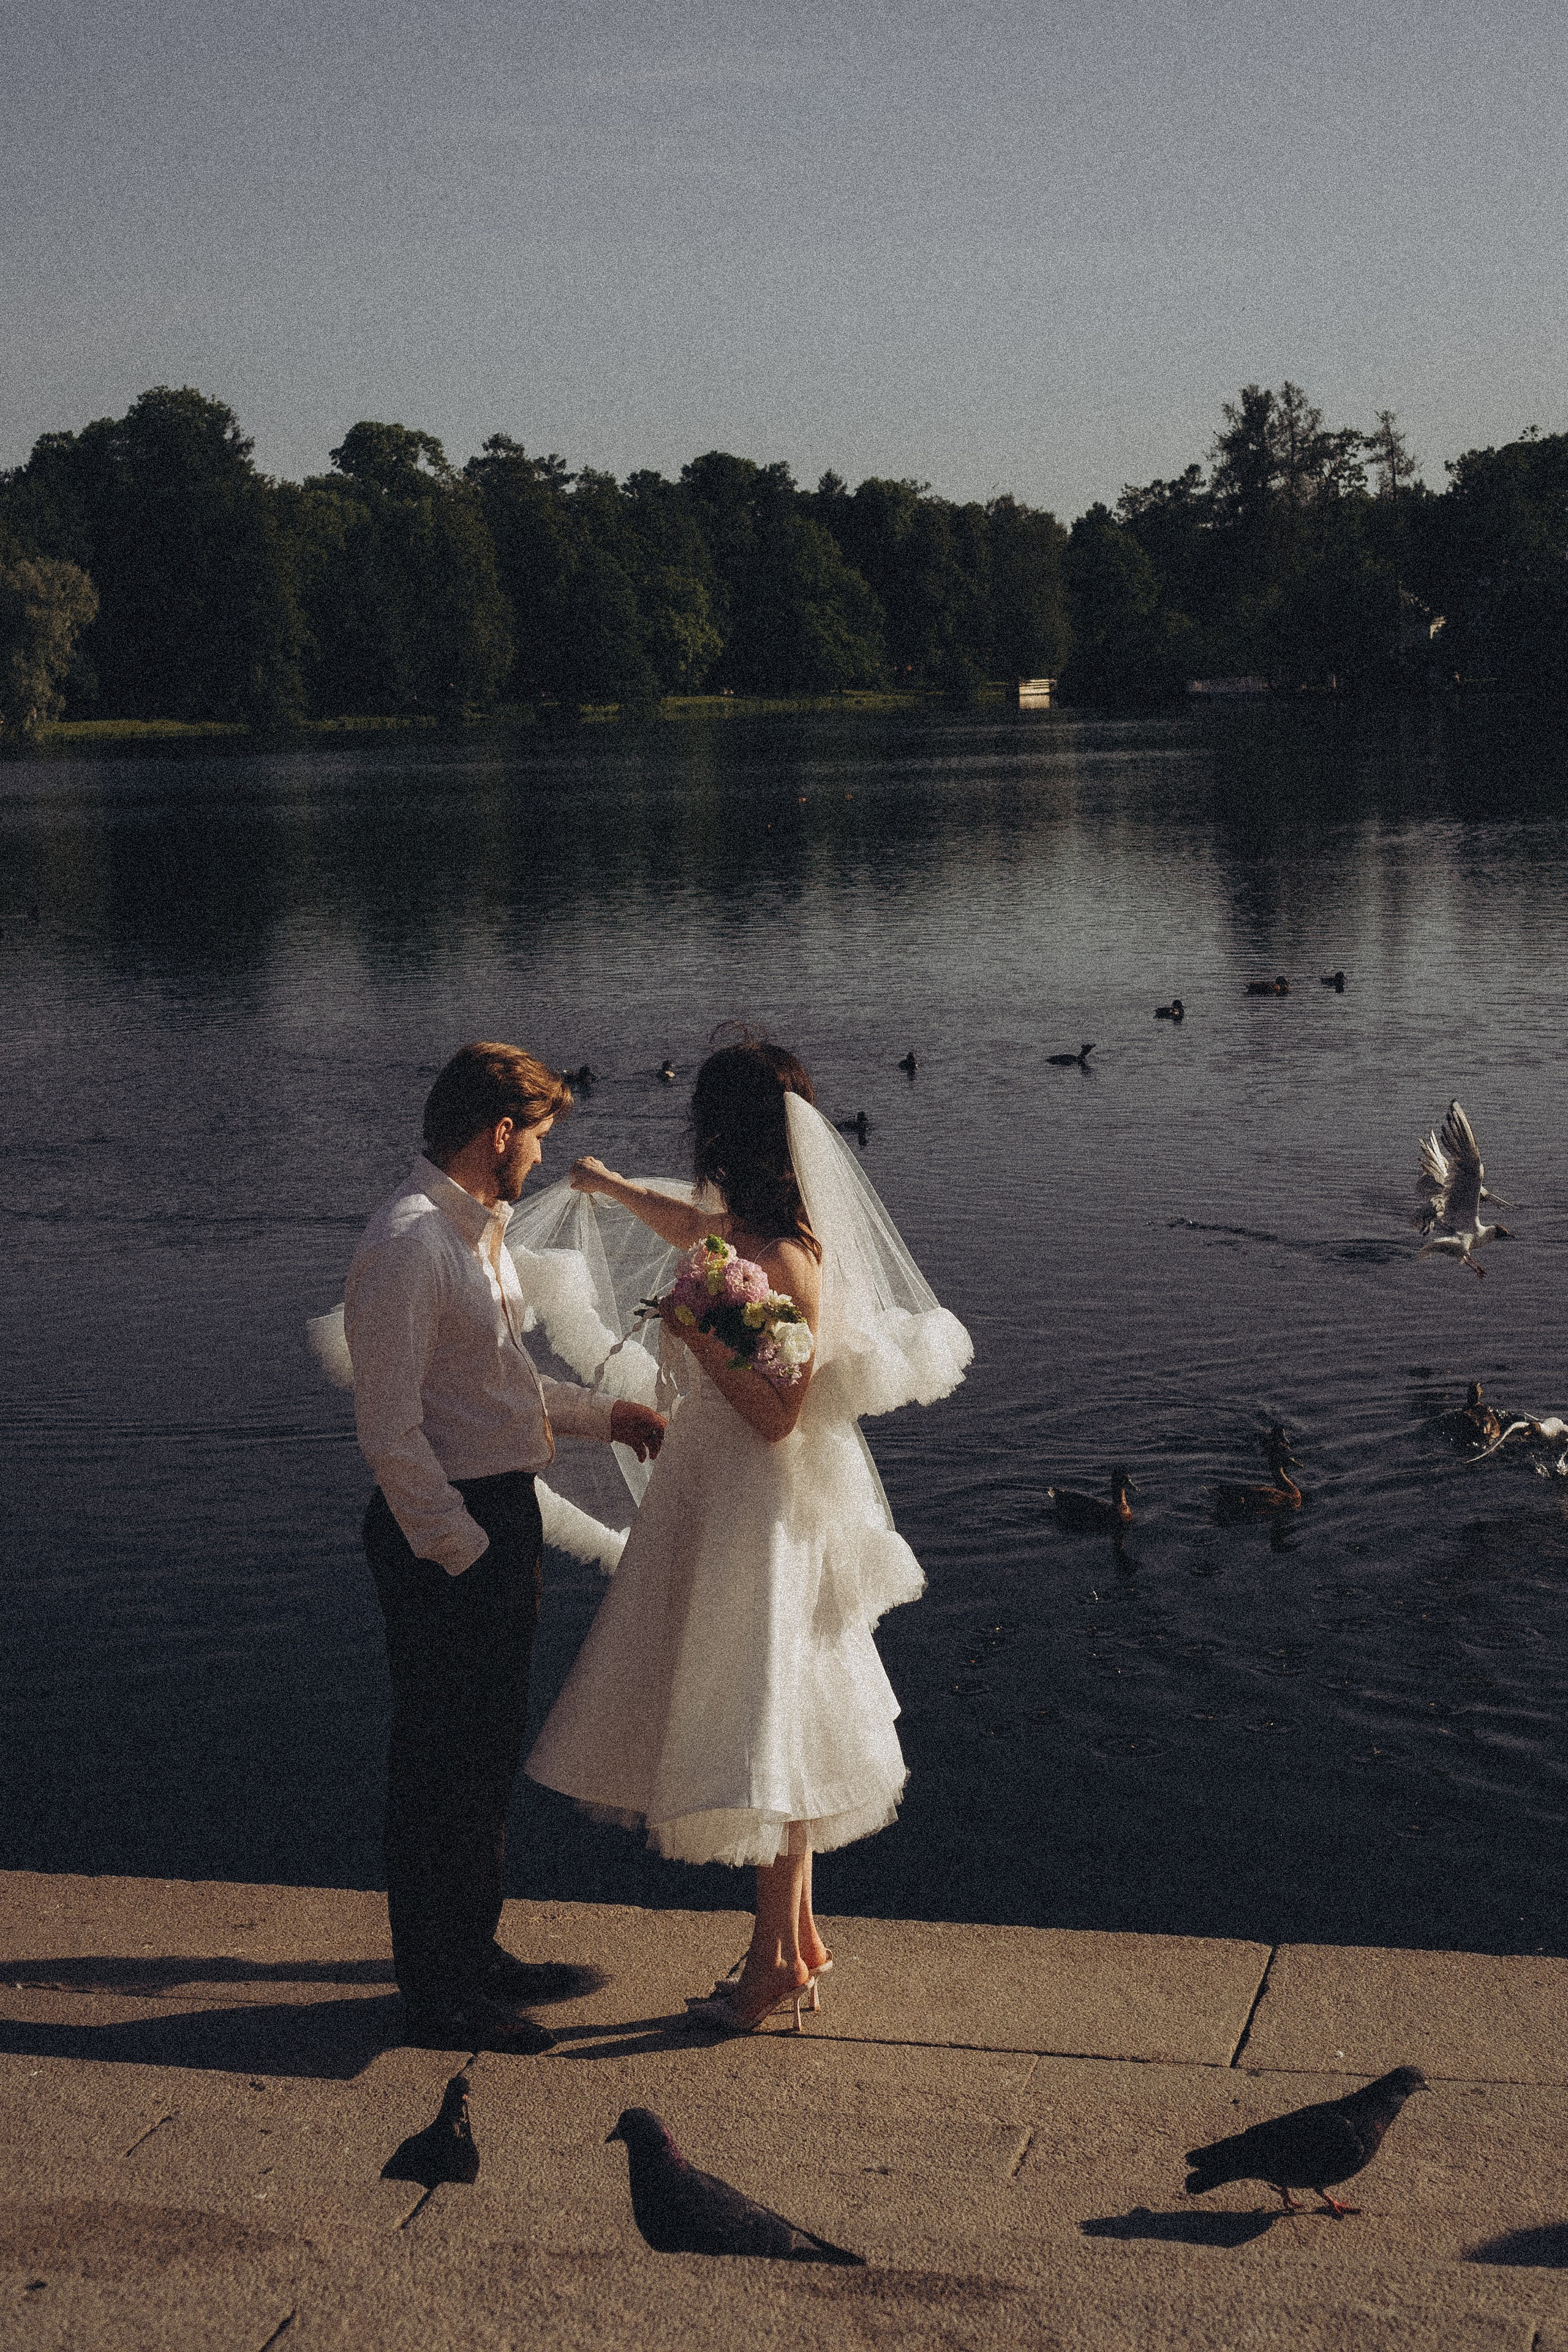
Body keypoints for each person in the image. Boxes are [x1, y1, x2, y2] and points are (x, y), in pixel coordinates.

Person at [524, 1038, 971, 2033]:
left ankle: (775, 1962)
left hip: (757, 1512)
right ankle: (793, 1947)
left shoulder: (790, 1263)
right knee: (777, 1719)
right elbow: (697, 1228)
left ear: (728, 1134)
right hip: (720, 1497)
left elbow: (779, 1413)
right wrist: (611, 1190)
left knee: (766, 1726)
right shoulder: (759, 1235)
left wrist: (695, 1335)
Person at [345, 1041, 667, 2052]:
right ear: (498, 1134)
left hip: (492, 1514)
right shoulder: (406, 1244)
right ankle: (436, 1996)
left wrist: (605, 1415)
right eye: (535, 1138)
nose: (539, 1159)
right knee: (440, 1764)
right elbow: (390, 1433)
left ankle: (473, 1958)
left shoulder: (474, 1238)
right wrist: (465, 1551)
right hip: (450, 1532)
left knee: (482, 1757)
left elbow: (499, 1393)